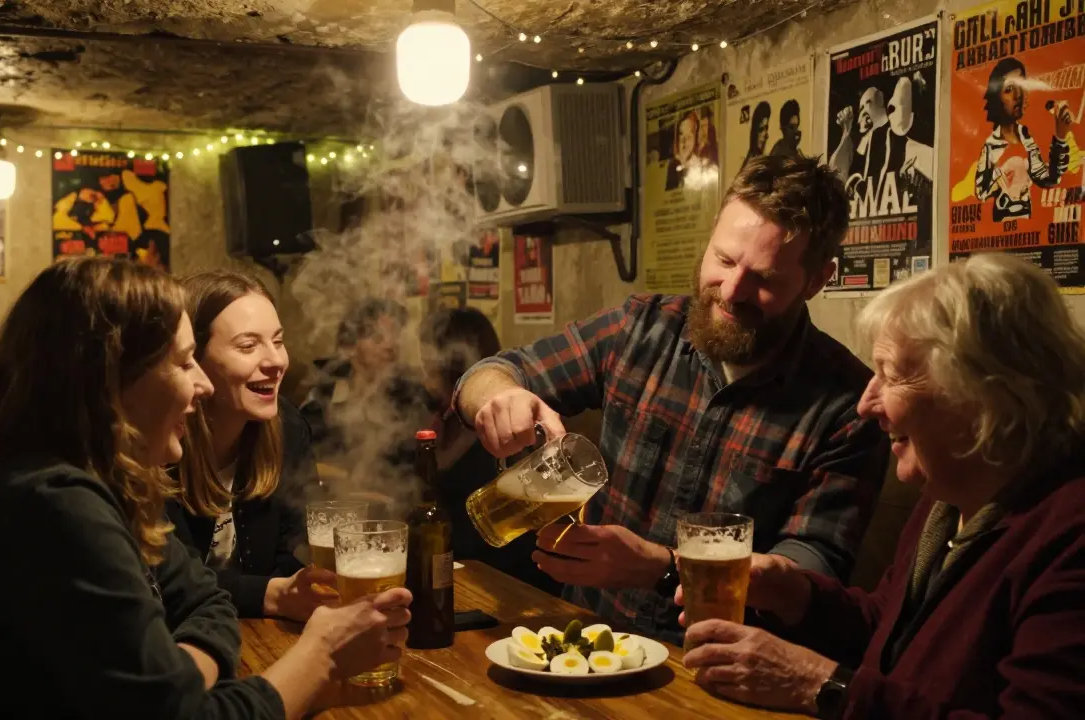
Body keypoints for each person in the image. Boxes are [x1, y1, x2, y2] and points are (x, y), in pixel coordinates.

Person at [0, 258, 411, 719]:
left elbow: (206, 597)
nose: (199, 384)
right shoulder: (50, 503)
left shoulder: (96, 480)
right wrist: (320, 657)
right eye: (182, 362)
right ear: (113, 380)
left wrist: (177, 676)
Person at [453, 154, 888, 643]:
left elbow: (806, 582)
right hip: (589, 642)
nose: (732, 290)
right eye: (723, 260)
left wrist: (662, 568)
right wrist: (503, 397)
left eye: (764, 279)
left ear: (816, 280)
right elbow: (487, 374)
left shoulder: (848, 406)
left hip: (716, 670)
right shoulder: (640, 329)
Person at [679, 253, 1085, 719]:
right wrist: (797, 596)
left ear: (981, 398)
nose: (865, 404)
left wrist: (823, 686)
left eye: (890, 376)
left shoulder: (1068, 535)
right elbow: (887, 631)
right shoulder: (950, 495)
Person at [168, 270, 332, 622]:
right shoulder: (161, 441)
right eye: (248, 346)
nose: (276, 361)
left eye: (278, 340)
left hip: (260, 634)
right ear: (192, 358)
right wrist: (266, 594)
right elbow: (166, 581)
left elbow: (298, 550)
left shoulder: (286, 425)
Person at [419, 307, 561, 597]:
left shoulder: (503, 432)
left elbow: (498, 538)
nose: (421, 368)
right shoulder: (439, 418)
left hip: (504, 584)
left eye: (425, 357)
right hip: (454, 574)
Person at [301, 298, 431, 481]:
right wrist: (347, 480)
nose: (390, 345)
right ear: (349, 346)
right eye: (377, 338)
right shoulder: (324, 397)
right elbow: (302, 462)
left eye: (394, 335)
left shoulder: (411, 396)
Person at [974, 57, 1072, 222]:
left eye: (1021, 86)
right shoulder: (991, 146)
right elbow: (981, 191)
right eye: (1009, 89)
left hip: (1027, 222)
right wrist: (999, 179)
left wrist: (1060, 138)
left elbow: (1048, 179)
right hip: (1001, 227)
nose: (1018, 95)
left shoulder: (1027, 138)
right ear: (996, 99)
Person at [740, 102, 771, 172]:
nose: (765, 134)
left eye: (766, 128)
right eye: (761, 129)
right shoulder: (750, 163)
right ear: (754, 132)